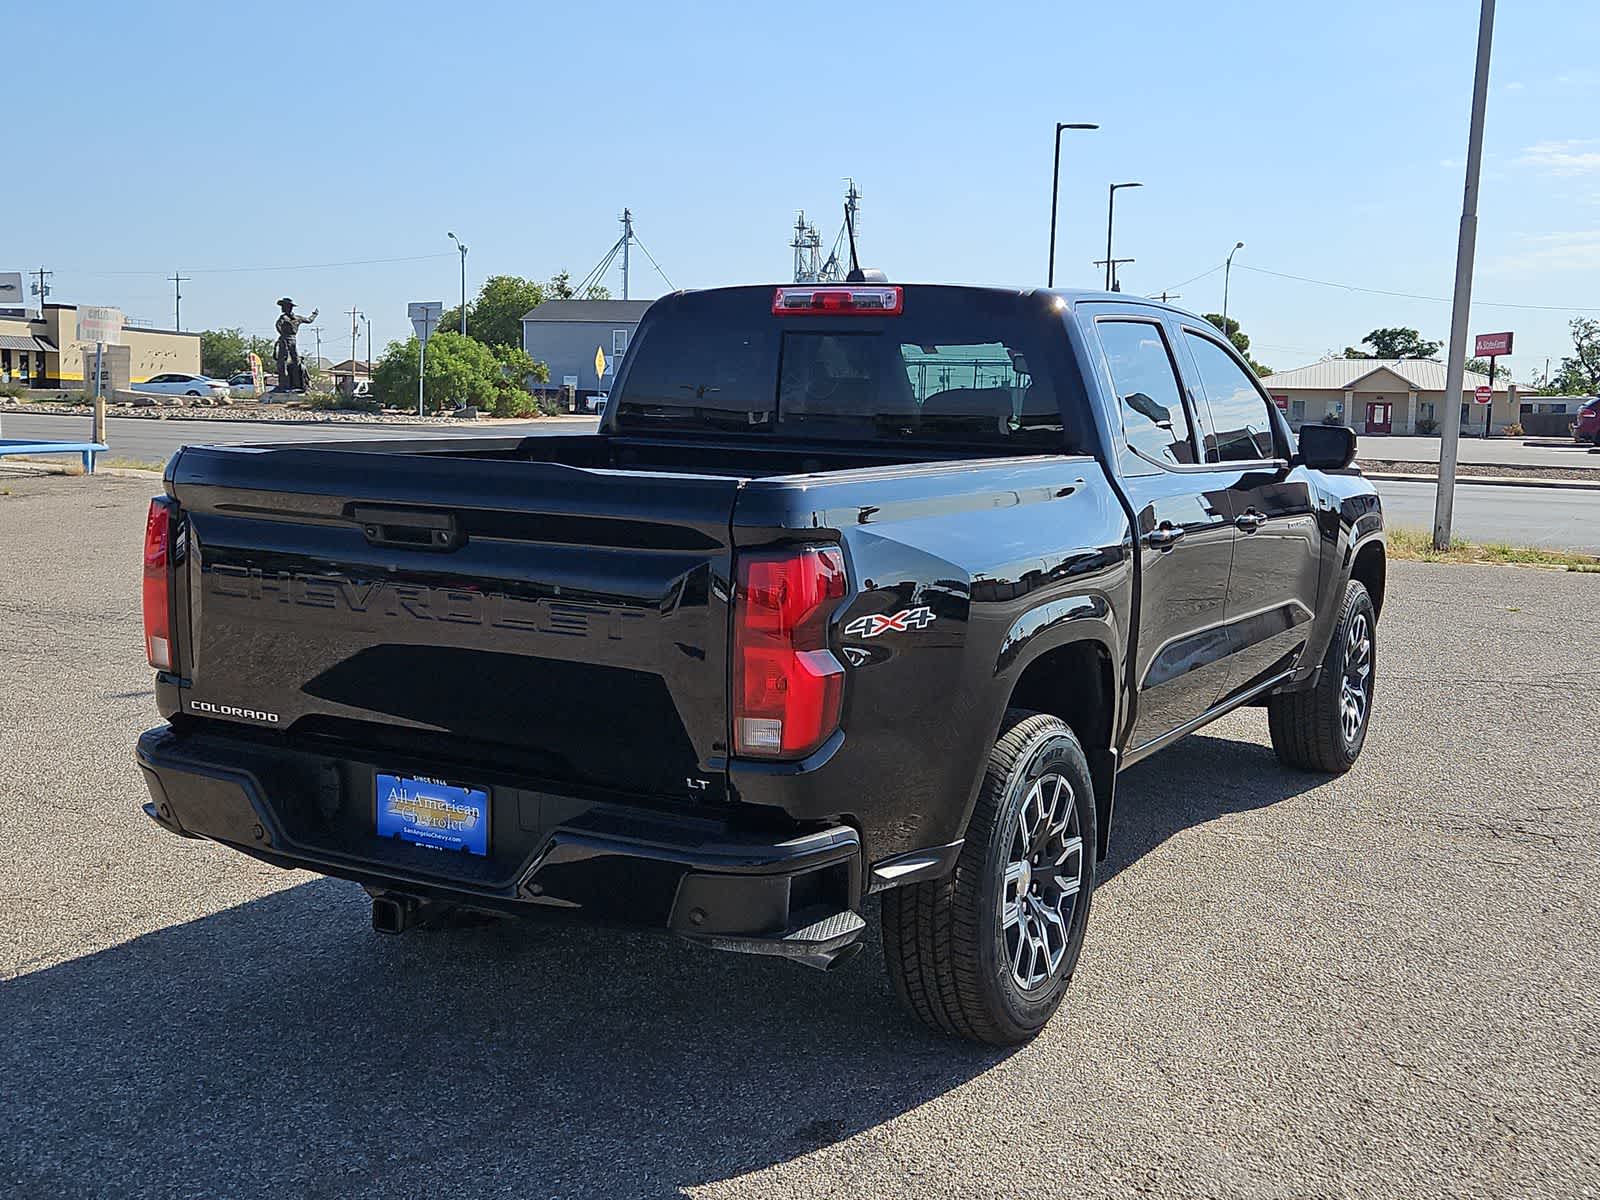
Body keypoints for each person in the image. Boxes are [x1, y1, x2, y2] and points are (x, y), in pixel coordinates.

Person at [273, 298, 317, 392]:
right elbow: (278, 326)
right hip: (288, 340)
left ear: (288, 307)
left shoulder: (291, 318)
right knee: (286, 361)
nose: (282, 309)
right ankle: (287, 384)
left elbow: (278, 326)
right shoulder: (289, 318)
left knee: (288, 362)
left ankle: (294, 384)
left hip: (288, 340)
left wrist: (314, 315)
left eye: (283, 306)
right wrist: (314, 315)